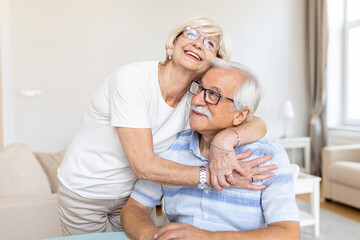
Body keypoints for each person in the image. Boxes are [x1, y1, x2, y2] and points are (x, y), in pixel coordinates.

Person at [57, 17, 276, 235]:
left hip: (132, 194)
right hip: (86, 190)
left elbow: (256, 122)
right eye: (191, 34)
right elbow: (143, 165)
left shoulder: (198, 98)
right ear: (172, 45)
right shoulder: (132, 79)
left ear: (215, 63)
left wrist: (224, 139)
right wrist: (215, 175)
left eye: (210, 43)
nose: (199, 43)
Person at [121, 58, 300, 240]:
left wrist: (206, 237)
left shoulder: (268, 156)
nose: (197, 100)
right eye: (199, 88)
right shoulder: (171, 147)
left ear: (239, 115)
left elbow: (288, 234)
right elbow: (134, 208)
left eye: (214, 95)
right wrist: (153, 235)